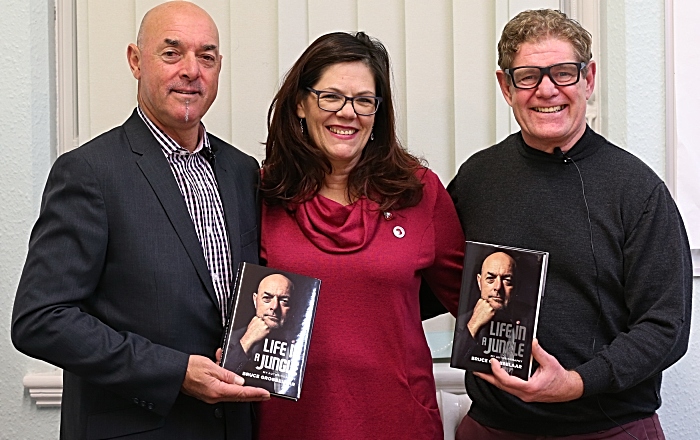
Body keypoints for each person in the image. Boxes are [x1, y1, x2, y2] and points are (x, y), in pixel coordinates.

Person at [11, 2, 269, 439]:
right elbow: (41, 319)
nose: (191, 70)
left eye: (206, 56)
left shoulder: (243, 171)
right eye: (171, 53)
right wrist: (174, 372)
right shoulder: (89, 172)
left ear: (219, 67)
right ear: (135, 60)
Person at [449, 9, 692, 439]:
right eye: (527, 76)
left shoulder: (636, 190)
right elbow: (431, 282)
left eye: (563, 72)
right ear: (506, 86)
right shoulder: (477, 179)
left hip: (608, 428)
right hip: (492, 428)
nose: (547, 90)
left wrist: (576, 384)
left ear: (589, 78)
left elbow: (665, 326)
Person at [256, 31, 465, 439]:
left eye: (363, 100)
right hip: (290, 424)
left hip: (399, 421)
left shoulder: (420, 193)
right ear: (300, 103)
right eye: (330, 96)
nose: (347, 112)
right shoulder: (261, 194)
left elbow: (478, 305)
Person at [224, 274, 297, 393]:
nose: (274, 307)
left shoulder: (300, 344)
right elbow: (220, 381)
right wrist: (247, 341)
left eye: (284, 301)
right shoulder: (232, 338)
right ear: (255, 300)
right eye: (267, 298)